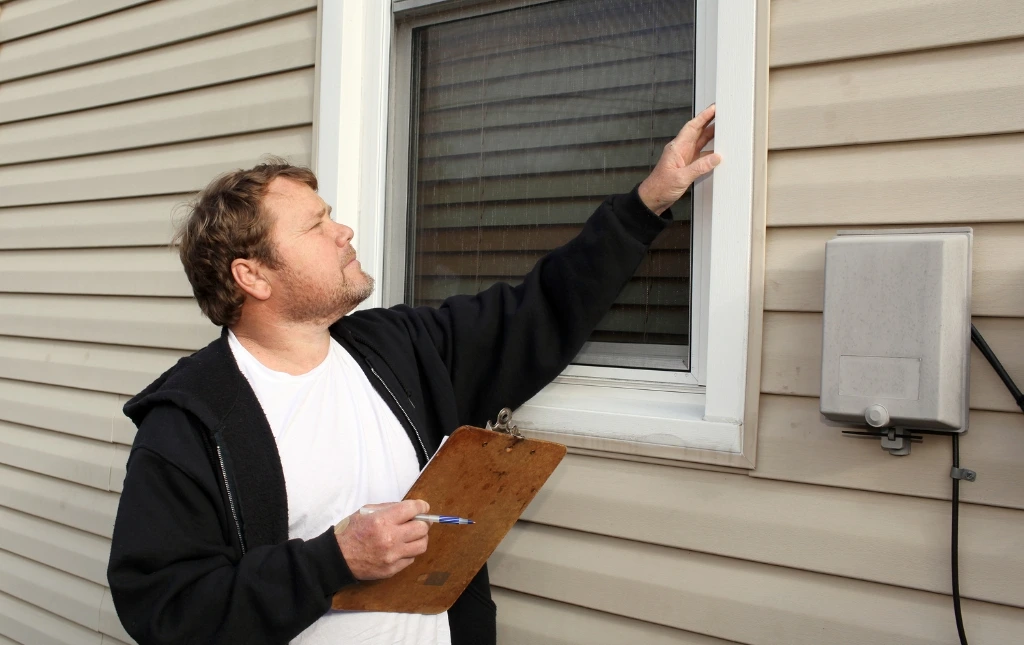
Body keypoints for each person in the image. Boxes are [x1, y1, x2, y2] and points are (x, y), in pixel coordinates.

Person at [107, 105, 721, 645]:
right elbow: (166, 608)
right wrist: (333, 560)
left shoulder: (396, 349)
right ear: (254, 276)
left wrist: (646, 205)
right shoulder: (191, 421)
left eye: (332, 217)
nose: (342, 231)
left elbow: (540, 308)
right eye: (315, 225)